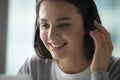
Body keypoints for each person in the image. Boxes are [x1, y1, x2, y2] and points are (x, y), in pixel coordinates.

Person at [18, 0, 120, 80]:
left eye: (63, 25)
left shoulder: (115, 69)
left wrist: (99, 73)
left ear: (88, 25)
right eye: (45, 25)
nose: (51, 36)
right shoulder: (32, 68)